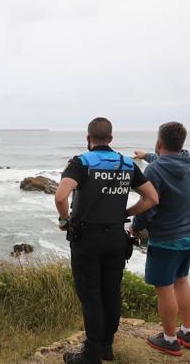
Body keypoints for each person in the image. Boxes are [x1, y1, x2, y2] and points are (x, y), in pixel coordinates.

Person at [55, 117, 159, 364]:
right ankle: (106, 347)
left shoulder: (81, 163)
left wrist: (64, 220)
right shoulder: (126, 163)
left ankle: (91, 353)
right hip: (115, 238)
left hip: (86, 239)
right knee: (111, 292)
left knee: (90, 294)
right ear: (111, 139)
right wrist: (126, 213)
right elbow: (152, 198)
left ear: (88, 139)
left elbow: (61, 196)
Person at [131, 122, 190, 356]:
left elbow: (149, 207)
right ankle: (187, 332)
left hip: (166, 239)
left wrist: (135, 227)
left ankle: (170, 340)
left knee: (165, 288)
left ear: (159, 143)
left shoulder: (154, 171)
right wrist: (147, 155)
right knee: (182, 281)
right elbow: (165, 161)